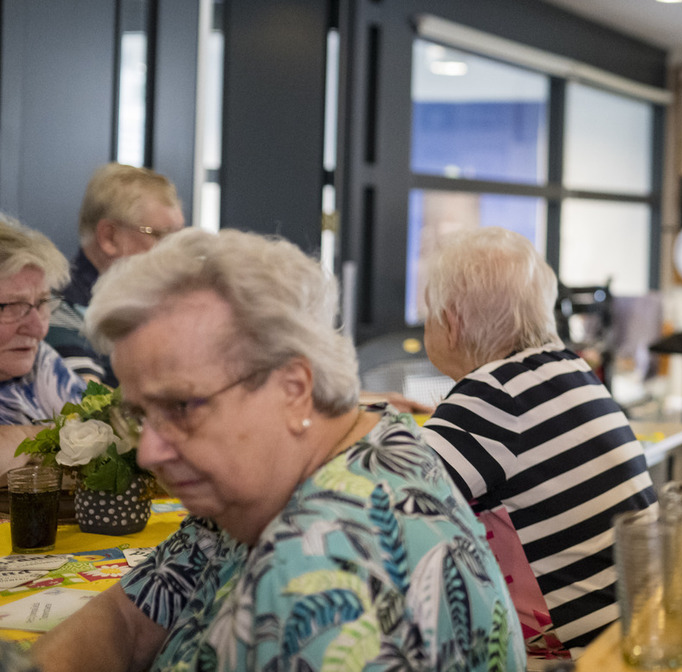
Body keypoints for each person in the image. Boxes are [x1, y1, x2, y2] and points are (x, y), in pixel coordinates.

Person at [30, 228, 523, 672]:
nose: (148, 454)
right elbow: (129, 617)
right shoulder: (346, 449)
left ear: (293, 389)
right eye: (140, 416)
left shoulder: (319, 577)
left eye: (181, 407)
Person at [419, 227, 657, 664]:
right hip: (639, 632)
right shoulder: (570, 369)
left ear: (451, 322)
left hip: (583, 660)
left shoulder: (490, 398)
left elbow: (384, 489)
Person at [45, 162, 185, 386]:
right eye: (162, 236)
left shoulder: (163, 303)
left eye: (179, 237)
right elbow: (89, 404)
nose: (176, 250)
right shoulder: (55, 306)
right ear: (109, 237)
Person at [0, 217, 87, 477]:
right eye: (11, 306)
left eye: (42, 303)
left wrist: (24, 440)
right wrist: (40, 436)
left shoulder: (39, 363)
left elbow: (107, 426)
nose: (38, 329)